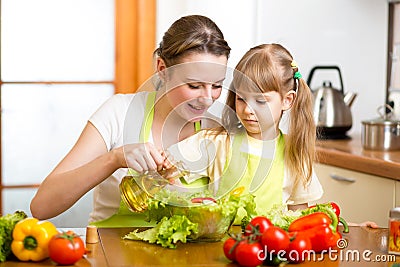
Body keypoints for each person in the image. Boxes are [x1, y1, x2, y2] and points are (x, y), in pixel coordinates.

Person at [30, 15, 231, 227]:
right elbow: (42, 207)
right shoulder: (119, 113)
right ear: (162, 69)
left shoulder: (217, 128)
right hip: (110, 254)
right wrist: (114, 159)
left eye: (217, 85)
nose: (208, 98)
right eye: (194, 85)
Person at [166, 43, 323, 217]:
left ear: (287, 100)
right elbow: (165, 165)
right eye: (241, 98)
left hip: (269, 244)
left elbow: (298, 216)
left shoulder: (294, 153)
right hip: (222, 243)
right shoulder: (215, 141)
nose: (248, 110)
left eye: (261, 101)